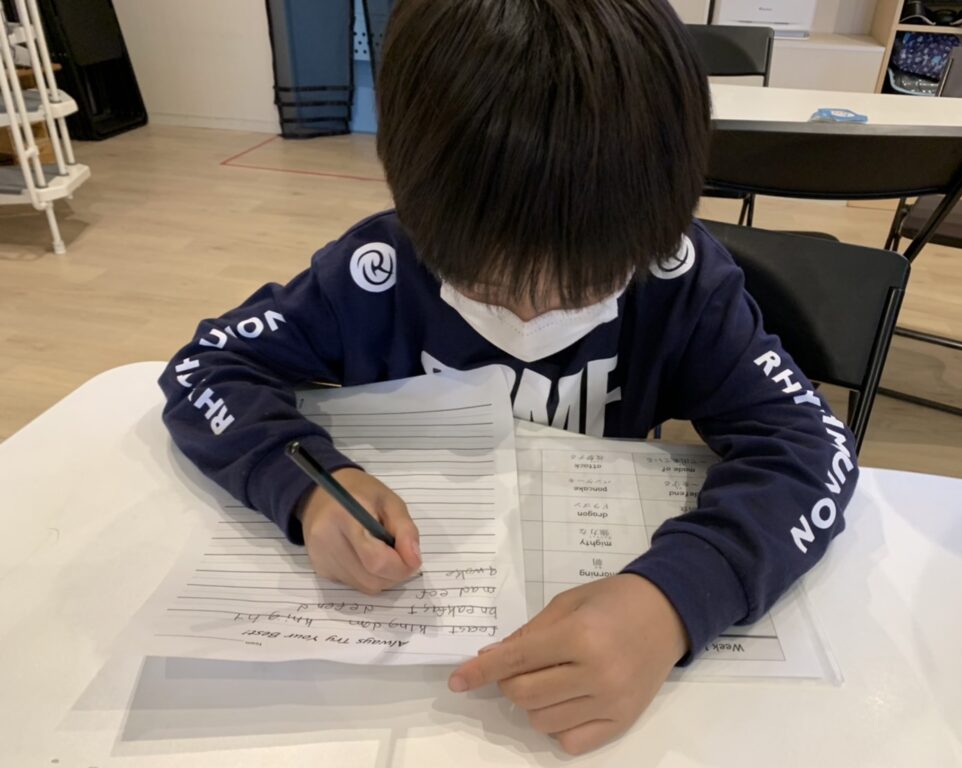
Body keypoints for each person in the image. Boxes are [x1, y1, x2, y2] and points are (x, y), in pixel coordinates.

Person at [160, 0, 857, 754]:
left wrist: (676, 597)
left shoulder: (680, 285)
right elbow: (207, 368)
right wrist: (310, 490)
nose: (533, 311)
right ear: (412, 197)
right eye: (489, 284)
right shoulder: (373, 274)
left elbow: (812, 444)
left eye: (585, 285)